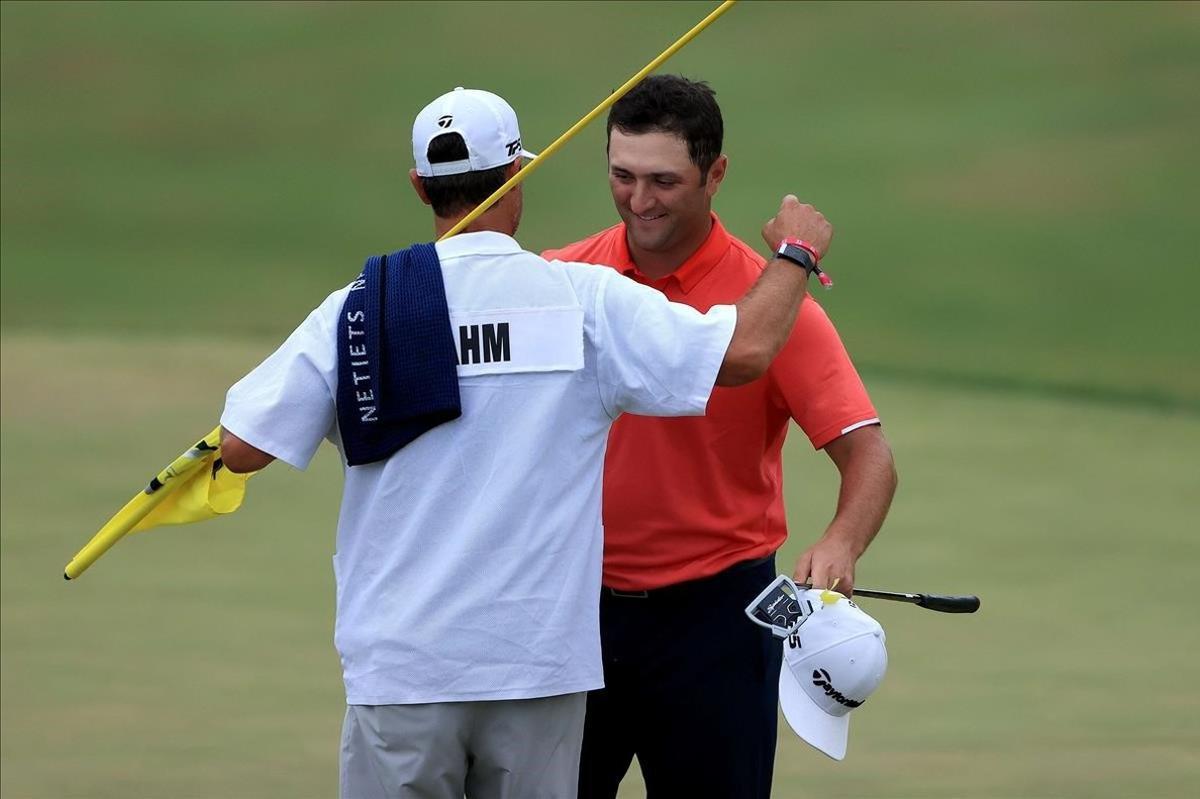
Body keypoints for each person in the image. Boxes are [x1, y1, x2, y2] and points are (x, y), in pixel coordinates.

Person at [217, 86, 835, 799]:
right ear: (517, 177)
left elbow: (240, 448)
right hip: (536, 671)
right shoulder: (582, 298)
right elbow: (747, 350)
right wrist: (794, 252)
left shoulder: (363, 305)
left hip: (402, 668)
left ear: (420, 186)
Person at [542, 75, 898, 798]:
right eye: (622, 175)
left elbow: (869, 453)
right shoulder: (561, 280)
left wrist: (840, 541)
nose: (640, 201)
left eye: (664, 181)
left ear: (716, 175)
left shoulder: (772, 302)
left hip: (716, 625)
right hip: (570, 613)